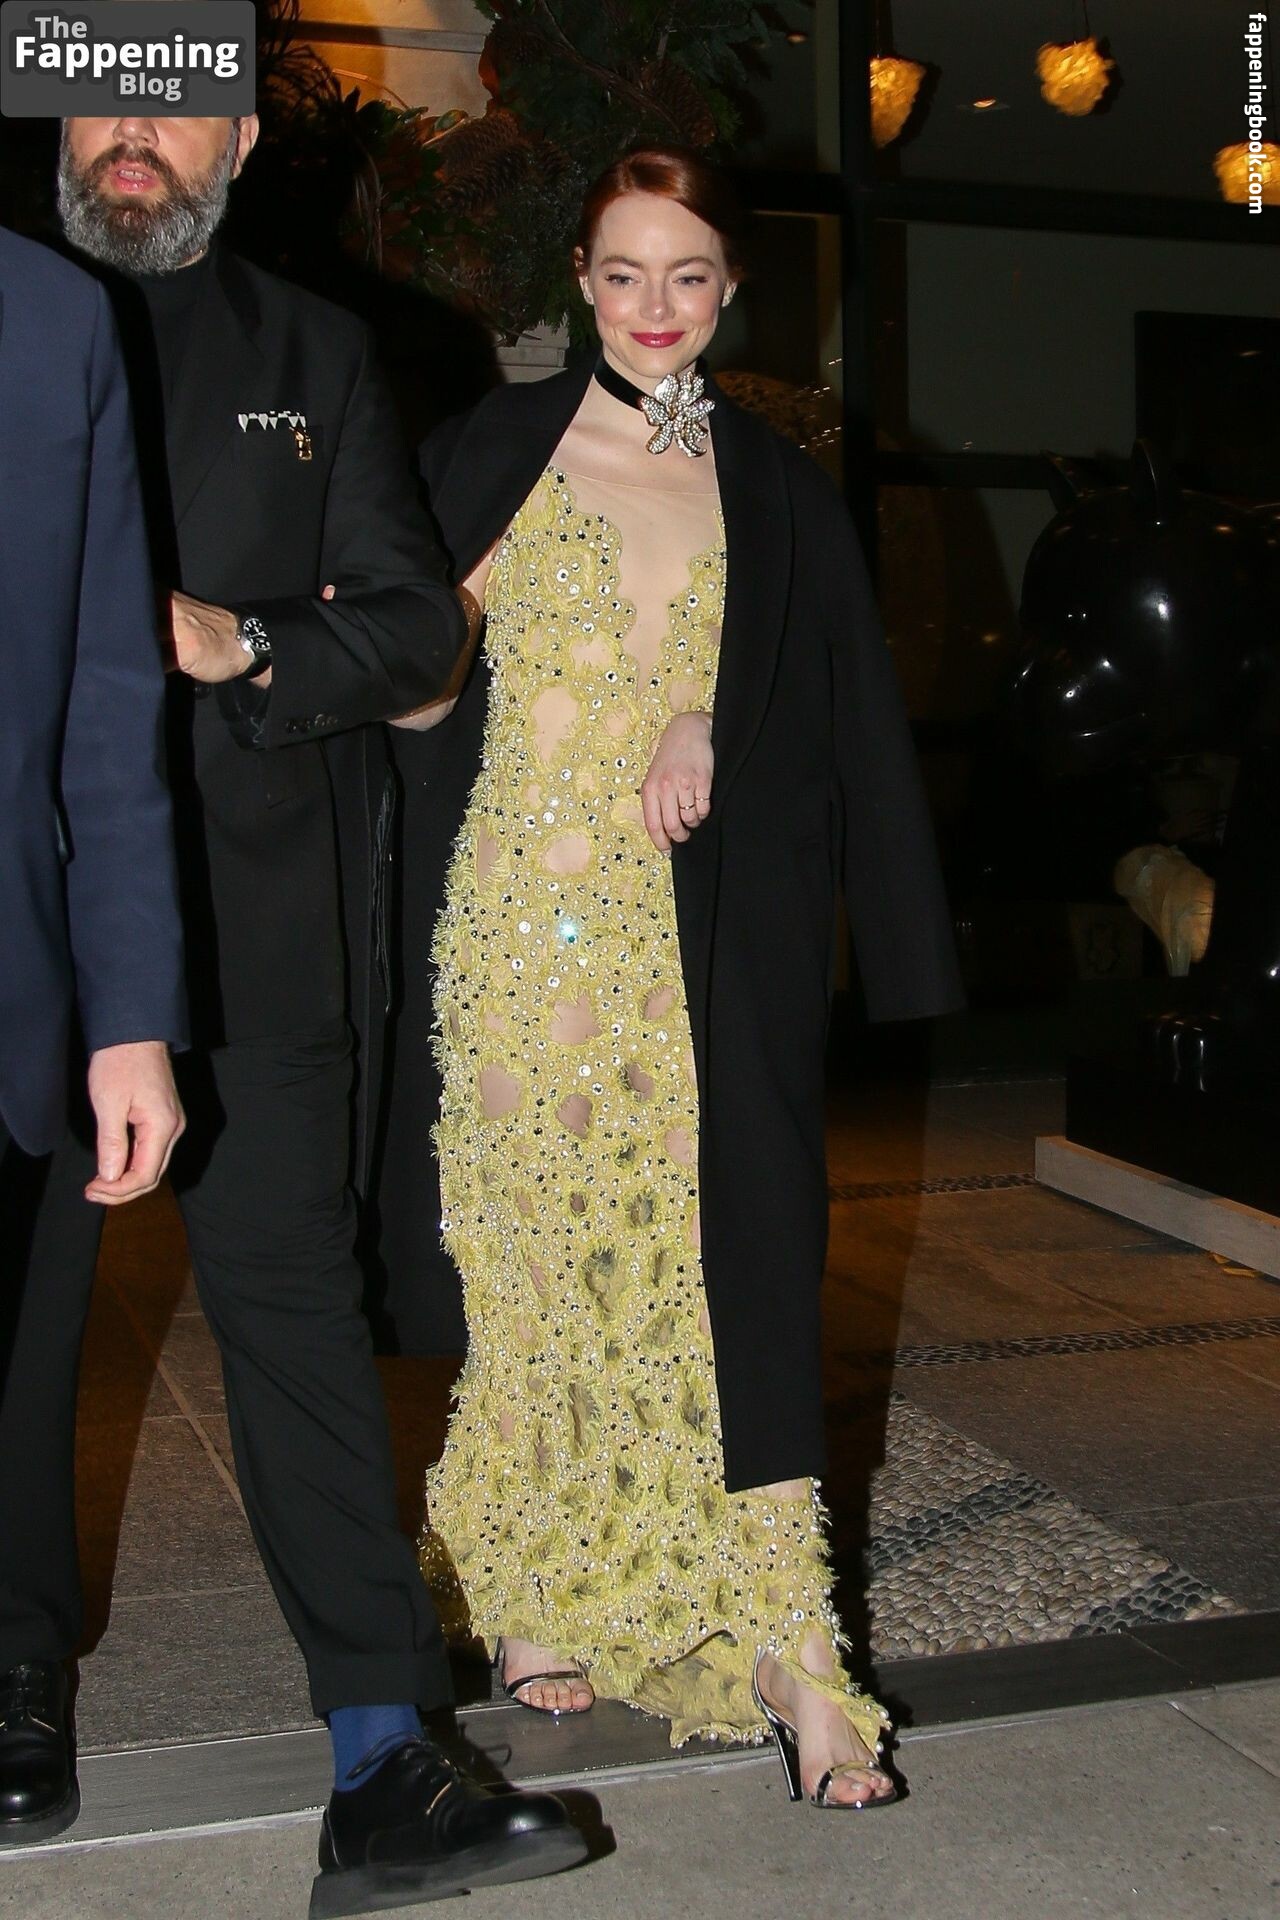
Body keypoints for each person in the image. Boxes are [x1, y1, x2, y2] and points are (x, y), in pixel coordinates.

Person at [0, 114, 585, 1905]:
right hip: (27, 926)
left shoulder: (317, 351)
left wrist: (239, 639)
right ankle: (13, 1678)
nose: (134, 129)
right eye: (103, 85)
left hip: (255, 930)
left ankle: (383, 1751)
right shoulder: (14, 321)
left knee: (300, 1325)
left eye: (176, 93)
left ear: (242, 132)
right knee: (19, 1336)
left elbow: (418, 632)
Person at [406, 146, 963, 1808]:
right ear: (581, 281)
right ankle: (532, 1583)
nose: (656, 307)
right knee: (542, 1265)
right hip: (522, 928)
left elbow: (832, 703)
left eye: (690, 275)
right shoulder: (493, 450)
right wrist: (422, 633)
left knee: (737, 1276)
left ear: (731, 289)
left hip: (707, 936)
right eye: (625, 273)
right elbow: (411, 695)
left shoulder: (775, 486)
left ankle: (795, 1650)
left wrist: (711, 716)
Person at [0, 225, 187, 1844]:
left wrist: (130, 1014)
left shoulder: (56, 320)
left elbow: (110, 701)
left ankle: (14, 1660)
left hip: (14, 953)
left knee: (23, 1350)